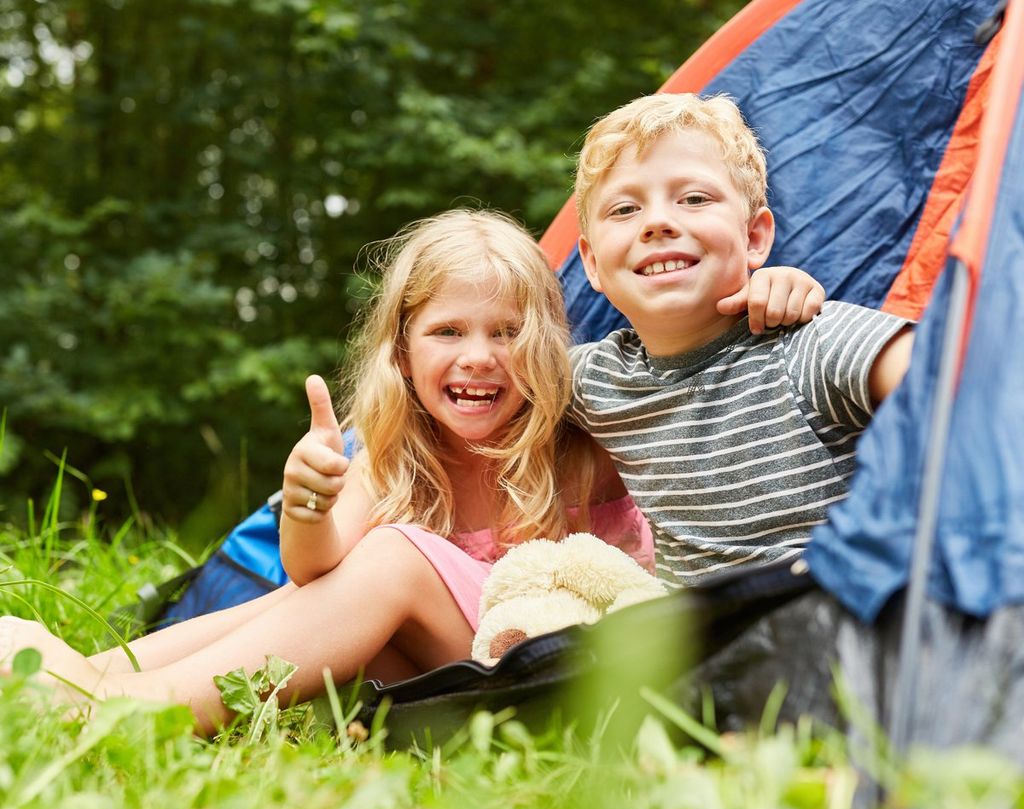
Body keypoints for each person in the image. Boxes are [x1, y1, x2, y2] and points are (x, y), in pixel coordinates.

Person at [0, 209, 821, 733]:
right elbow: (312, 574)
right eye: (448, 332)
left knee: (394, 560)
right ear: (401, 348)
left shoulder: (590, 426)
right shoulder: (400, 447)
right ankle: (87, 671)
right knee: (312, 591)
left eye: (506, 332)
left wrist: (766, 295)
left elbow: (693, 374)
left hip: (562, 665)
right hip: (451, 669)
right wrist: (308, 504)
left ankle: (116, 713)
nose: (478, 358)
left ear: (546, 342)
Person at [570, 92, 915, 588]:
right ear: (592, 263)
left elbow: (962, 385)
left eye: (693, 199)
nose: (657, 222)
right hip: (703, 651)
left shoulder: (810, 343)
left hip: (836, 624)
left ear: (754, 238)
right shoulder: (593, 382)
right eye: (625, 209)